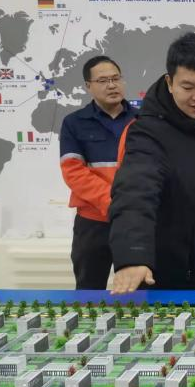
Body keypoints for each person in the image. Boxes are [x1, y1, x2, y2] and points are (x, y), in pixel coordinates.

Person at [108, 32, 195, 293]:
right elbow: (135, 191)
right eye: (188, 87)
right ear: (170, 82)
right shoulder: (148, 132)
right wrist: (133, 255)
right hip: (179, 280)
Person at [59, 56, 137, 290]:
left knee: (139, 289)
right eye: (103, 81)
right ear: (88, 86)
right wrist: (112, 202)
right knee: (89, 289)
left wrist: (129, 206)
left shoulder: (143, 121)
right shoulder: (74, 123)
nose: (112, 85)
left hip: (135, 220)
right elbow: (73, 172)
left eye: (116, 78)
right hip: (93, 222)